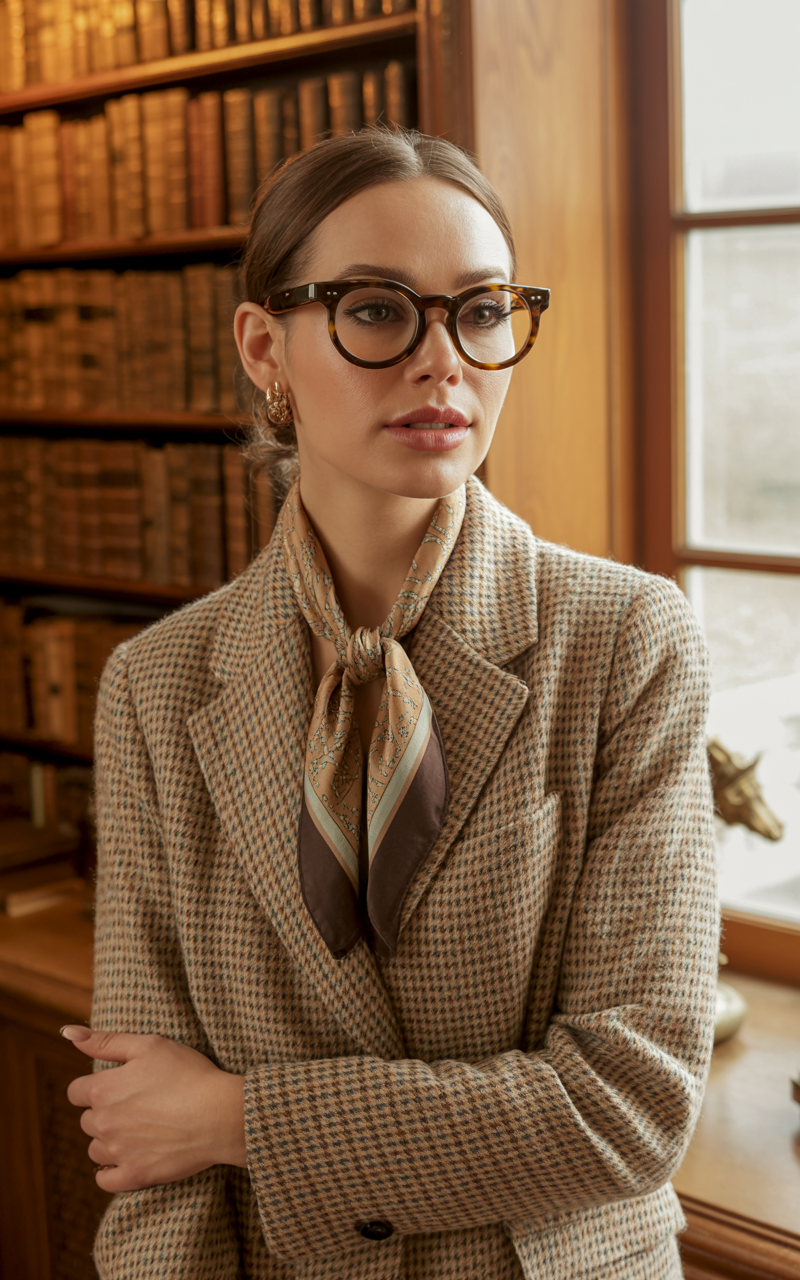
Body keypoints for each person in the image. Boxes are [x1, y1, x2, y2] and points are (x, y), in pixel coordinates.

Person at [63, 127, 719, 1280]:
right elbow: (146, 1145)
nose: (443, 361)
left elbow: (627, 1102)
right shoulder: (158, 685)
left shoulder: (623, 639)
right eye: (375, 309)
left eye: (478, 310)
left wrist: (242, 1119)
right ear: (265, 346)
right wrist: (189, 1130)